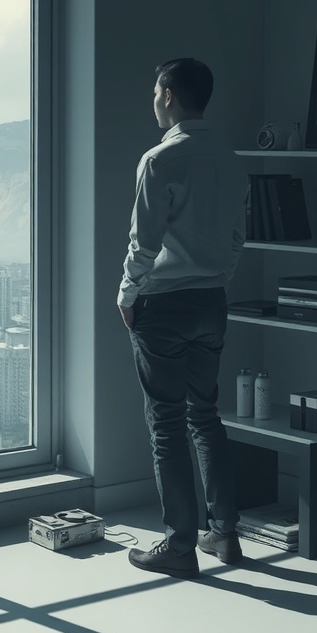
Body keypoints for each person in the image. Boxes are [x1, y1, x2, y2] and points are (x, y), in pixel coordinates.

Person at [117, 57, 249, 579]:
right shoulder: (233, 161)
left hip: (165, 305)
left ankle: (178, 545)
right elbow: (238, 239)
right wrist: (217, 279)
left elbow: (143, 243)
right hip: (212, 301)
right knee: (206, 416)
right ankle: (225, 534)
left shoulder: (159, 160)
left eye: (155, 90)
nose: (152, 99)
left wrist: (127, 294)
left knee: (167, 425)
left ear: (169, 94)